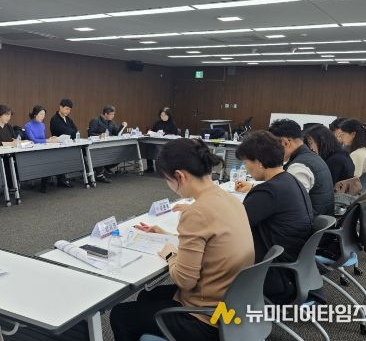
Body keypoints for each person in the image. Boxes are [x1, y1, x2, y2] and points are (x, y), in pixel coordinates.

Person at [109, 139, 254, 341]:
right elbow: (213, 242)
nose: (169, 186)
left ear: (180, 176)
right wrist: (166, 235)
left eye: (167, 180)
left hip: (207, 319)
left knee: (120, 314)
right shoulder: (229, 198)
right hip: (232, 304)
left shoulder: (197, 212)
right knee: (147, 296)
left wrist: (171, 255)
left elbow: (185, 280)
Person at [235, 131, 314, 304]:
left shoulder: (268, 192)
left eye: (246, 162)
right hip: (294, 267)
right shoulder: (290, 181)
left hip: (274, 275)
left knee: (214, 270)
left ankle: (221, 316)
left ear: (259, 162)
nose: (246, 167)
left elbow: (233, 227)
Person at [266, 119, 334, 216]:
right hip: (319, 216)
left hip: (310, 222)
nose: (272, 151)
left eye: (273, 146)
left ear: (286, 142)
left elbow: (291, 205)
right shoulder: (312, 157)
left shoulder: (298, 167)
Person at [24, 105, 60, 193]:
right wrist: (47, 140)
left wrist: (50, 139)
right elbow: (33, 140)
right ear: (35, 114)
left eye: (44, 114)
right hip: (32, 151)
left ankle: (54, 180)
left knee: (55, 157)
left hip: (43, 149)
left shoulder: (42, 125)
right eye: (41, 114)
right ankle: (44, 184)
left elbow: (42, 139)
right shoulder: (28, 126)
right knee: (47, 160)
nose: (43, 116)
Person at [87, 105, 128, 183]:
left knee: (120, 154)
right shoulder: (95, 121)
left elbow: (116, 133)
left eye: (113, 114)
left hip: (108, 145)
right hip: (97, 146)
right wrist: (99, 136)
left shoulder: (111, 122)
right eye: (111, 114)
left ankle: (105, 167)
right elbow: (90, 133)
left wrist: (122, 126)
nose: (113, 116)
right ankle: (99, 174)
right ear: (106, 114)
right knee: (102, 153)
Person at [48, 98, 77, 187]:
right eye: (66, 109)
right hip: (57, 146)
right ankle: (61, 179)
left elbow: (75, 130)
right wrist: (71, 132)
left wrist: (71, 132)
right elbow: (64, 131)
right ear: (60, 107)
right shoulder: (54, 119)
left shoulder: (68, 119)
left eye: (69, 110)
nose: (68, 111)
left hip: (67, 144)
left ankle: (65, 178)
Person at [145, 107, 178, 173]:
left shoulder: (172, 124)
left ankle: (165, 169)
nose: (162, 117)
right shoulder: (158, 123)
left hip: (167, 143)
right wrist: (150, 132)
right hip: (156, 142)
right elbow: (153, 131)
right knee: (148, 147)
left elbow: (175, 133)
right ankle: (150, 167)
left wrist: (165, 133)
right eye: (161, 115)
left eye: (164, 115)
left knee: (161, 150)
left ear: (169, 116)